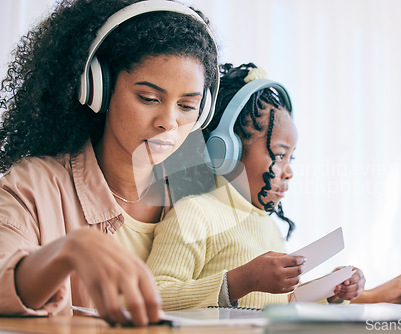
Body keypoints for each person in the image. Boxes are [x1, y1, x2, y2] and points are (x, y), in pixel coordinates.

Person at [0, 0, 218, 327]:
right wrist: (68, 251)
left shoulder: (197, 200)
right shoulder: (33, 187)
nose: (169, 123)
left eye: (187, 105)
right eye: (148, 98)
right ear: (97, 88)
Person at [145, 63, 369, 311]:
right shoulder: (196, 214)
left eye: (290, 158)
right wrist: (242, 280)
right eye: (279, 155)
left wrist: (331, 290)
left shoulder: (268, 226)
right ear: (227, 151)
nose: (289, 171)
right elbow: (154, 296)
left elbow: (278, 303)